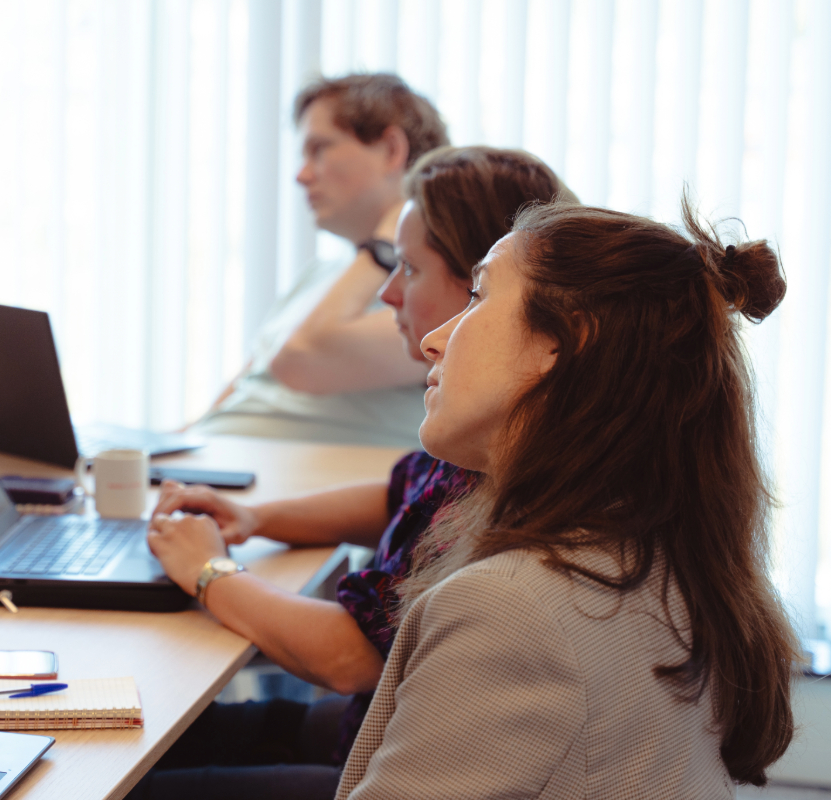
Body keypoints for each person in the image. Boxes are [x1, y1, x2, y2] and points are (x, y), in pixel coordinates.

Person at [129, 147, 575, 800]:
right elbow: (398, 492)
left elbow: (347, 657)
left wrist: (210, 573)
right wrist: (259, 519)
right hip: (375, 731)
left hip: (371, 763)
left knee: (125, 777)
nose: (390, 293)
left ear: (475, 289)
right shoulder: (485, 444)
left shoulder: (497, 471)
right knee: (159, 733)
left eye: (409, 268)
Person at [336, 200, 796, 798]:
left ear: (564, 341)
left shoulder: (509, 611)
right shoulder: (668, 557)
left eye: (477, 297)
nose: (432, 341)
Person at [191, 73, 450, 448]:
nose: (301, 174)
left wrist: (386, 244)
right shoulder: (319, 274)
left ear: (392, 151)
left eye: (319, 149)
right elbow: (230, 403)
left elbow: (300, 359)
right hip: (214, 465)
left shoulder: (447, 283)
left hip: (285, 488)